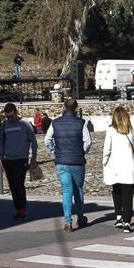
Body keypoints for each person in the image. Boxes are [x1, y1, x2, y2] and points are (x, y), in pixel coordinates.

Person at [45, 99, 93, 232]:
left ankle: (68, 222)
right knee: (78, 189)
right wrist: (82, 151)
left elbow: (47, 140)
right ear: (76, 108)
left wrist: (54, 150)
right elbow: (88, 141)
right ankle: (80, 217)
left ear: (64, 108)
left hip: (62, 161)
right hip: (77, 161)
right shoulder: (81, 123)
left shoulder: (55, 123)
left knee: (66, 191)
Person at [102, 106, 134, 232]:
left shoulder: (110, 131)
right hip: (129, 167)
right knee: (127, 195)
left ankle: (119, 217)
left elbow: (106, 149)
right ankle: (127, 222)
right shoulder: (132, 130)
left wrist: (104, 163)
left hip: (115, 167)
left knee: (116, 192)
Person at [0, 103, 39, 219]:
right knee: (12, 186)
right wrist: (1, 157)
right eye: (7, 117)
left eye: (11, 116)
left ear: (16, 113)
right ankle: (18, 208)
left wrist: (34, 157)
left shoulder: (25, 124)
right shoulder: (5, 125)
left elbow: (33, 141)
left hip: (21, 159)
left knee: (19, 184)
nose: (10, 119)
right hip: (8, 159)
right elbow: (1, 142)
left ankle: (22, 209)